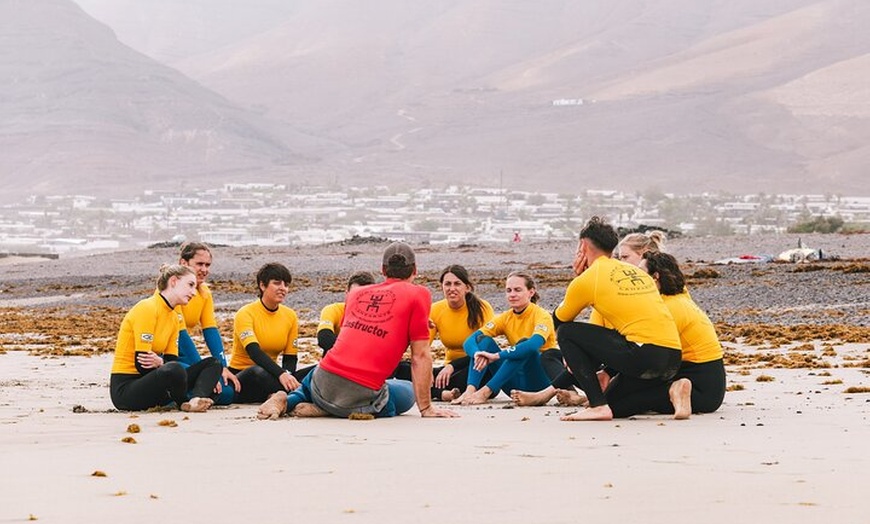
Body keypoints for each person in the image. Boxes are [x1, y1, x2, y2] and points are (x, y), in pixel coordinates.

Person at [257, 242, 457, 419]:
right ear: (415, 270)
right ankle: (333, 409)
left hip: (324, 378)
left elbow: (360, 335)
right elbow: (420, 356)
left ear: (383, 270)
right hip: (360, 393)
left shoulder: (358, 293)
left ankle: (288, 400)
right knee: (406, 392)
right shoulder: (419, 293)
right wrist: (427, 408)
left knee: (314, 380)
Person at [554, 216, 682, 421]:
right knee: (614, 406)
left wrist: (578, 279)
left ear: (583, 246)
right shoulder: (635, 271)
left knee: (566, 333)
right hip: (673, 359)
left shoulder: (589, 278)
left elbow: (560, 319)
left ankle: (597, 405)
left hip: (643, 356)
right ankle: (667, 392)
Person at [624, 251, 725, 418]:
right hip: (707, 382)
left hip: (701, 390)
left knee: (621, 405)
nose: (636, 277)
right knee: (629, 393)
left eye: (641, 273)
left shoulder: (668, 308)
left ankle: (675, 390)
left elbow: (643, 347)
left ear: (655, 277)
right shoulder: (680, 296)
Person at [110, 264, 222, 412]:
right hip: (127, 389)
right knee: (174, 369)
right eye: (190, 285)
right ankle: (182, 401)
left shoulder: (174, 318)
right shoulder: (148, 308)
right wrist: (163, 365)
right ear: (174, 281)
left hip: (157, 379)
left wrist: (161, 363)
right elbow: (142, 364)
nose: (194, 293)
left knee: (213, 363)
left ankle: (196, 400)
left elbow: (171, 360)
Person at [451, 271, 555, 406]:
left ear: (531, 292)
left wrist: (497, 356)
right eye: (508, 290)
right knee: (483, 342)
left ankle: (485, 391)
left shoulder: (542, 315)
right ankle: (470, 390)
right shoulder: (505, 317)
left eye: (517, 290)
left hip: (539, 382)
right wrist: (477, 353)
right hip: (512, 382)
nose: (512, 294)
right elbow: (471, 340)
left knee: (523, 344)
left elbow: (533, 345)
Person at [228, 262, 301, 404]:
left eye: (286, 284)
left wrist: (289, 376)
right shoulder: (245, 313)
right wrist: (281, 374)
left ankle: (282, 392)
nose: (283, 288)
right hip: (244, 375)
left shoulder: (290, 315)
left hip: (273, 375)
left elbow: (290, 358)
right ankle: (292, 393)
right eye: (277, 283)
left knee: (317, 370)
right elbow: (254, 352)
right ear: (262, 285)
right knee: (258, 371)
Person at [176, 242, 238, 405]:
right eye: (199, 264)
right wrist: (205, 373)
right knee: (212, 387)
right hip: (166, 359)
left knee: (227, 392)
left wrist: (222, 367)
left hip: (184, 357)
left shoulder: (204, 293)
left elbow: (211, 331)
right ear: (184, 263)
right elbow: (181, 336)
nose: (204, 269)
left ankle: (186, 396)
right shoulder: (172, 291)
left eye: (207, 265)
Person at [428, 265, 495, 401]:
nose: (452, 288)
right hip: (447, 372)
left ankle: (433, 391)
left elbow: (485, 348)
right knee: (403, 370)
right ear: (441, 286)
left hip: (477, 369)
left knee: (484, 374)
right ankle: (442, 394)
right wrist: (426, 371)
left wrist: (452, 366)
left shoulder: (483, 308)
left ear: (467, 287)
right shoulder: (435, 309)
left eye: (457, 284)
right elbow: (423, 347)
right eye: (447, 284)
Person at [315, 271, 378, 358]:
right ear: (347, 294)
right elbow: (324, 338)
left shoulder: (380, 316)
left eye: (365, 295)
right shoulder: (334, 310)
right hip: (336, 362)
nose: (359, 299)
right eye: (355, 294)